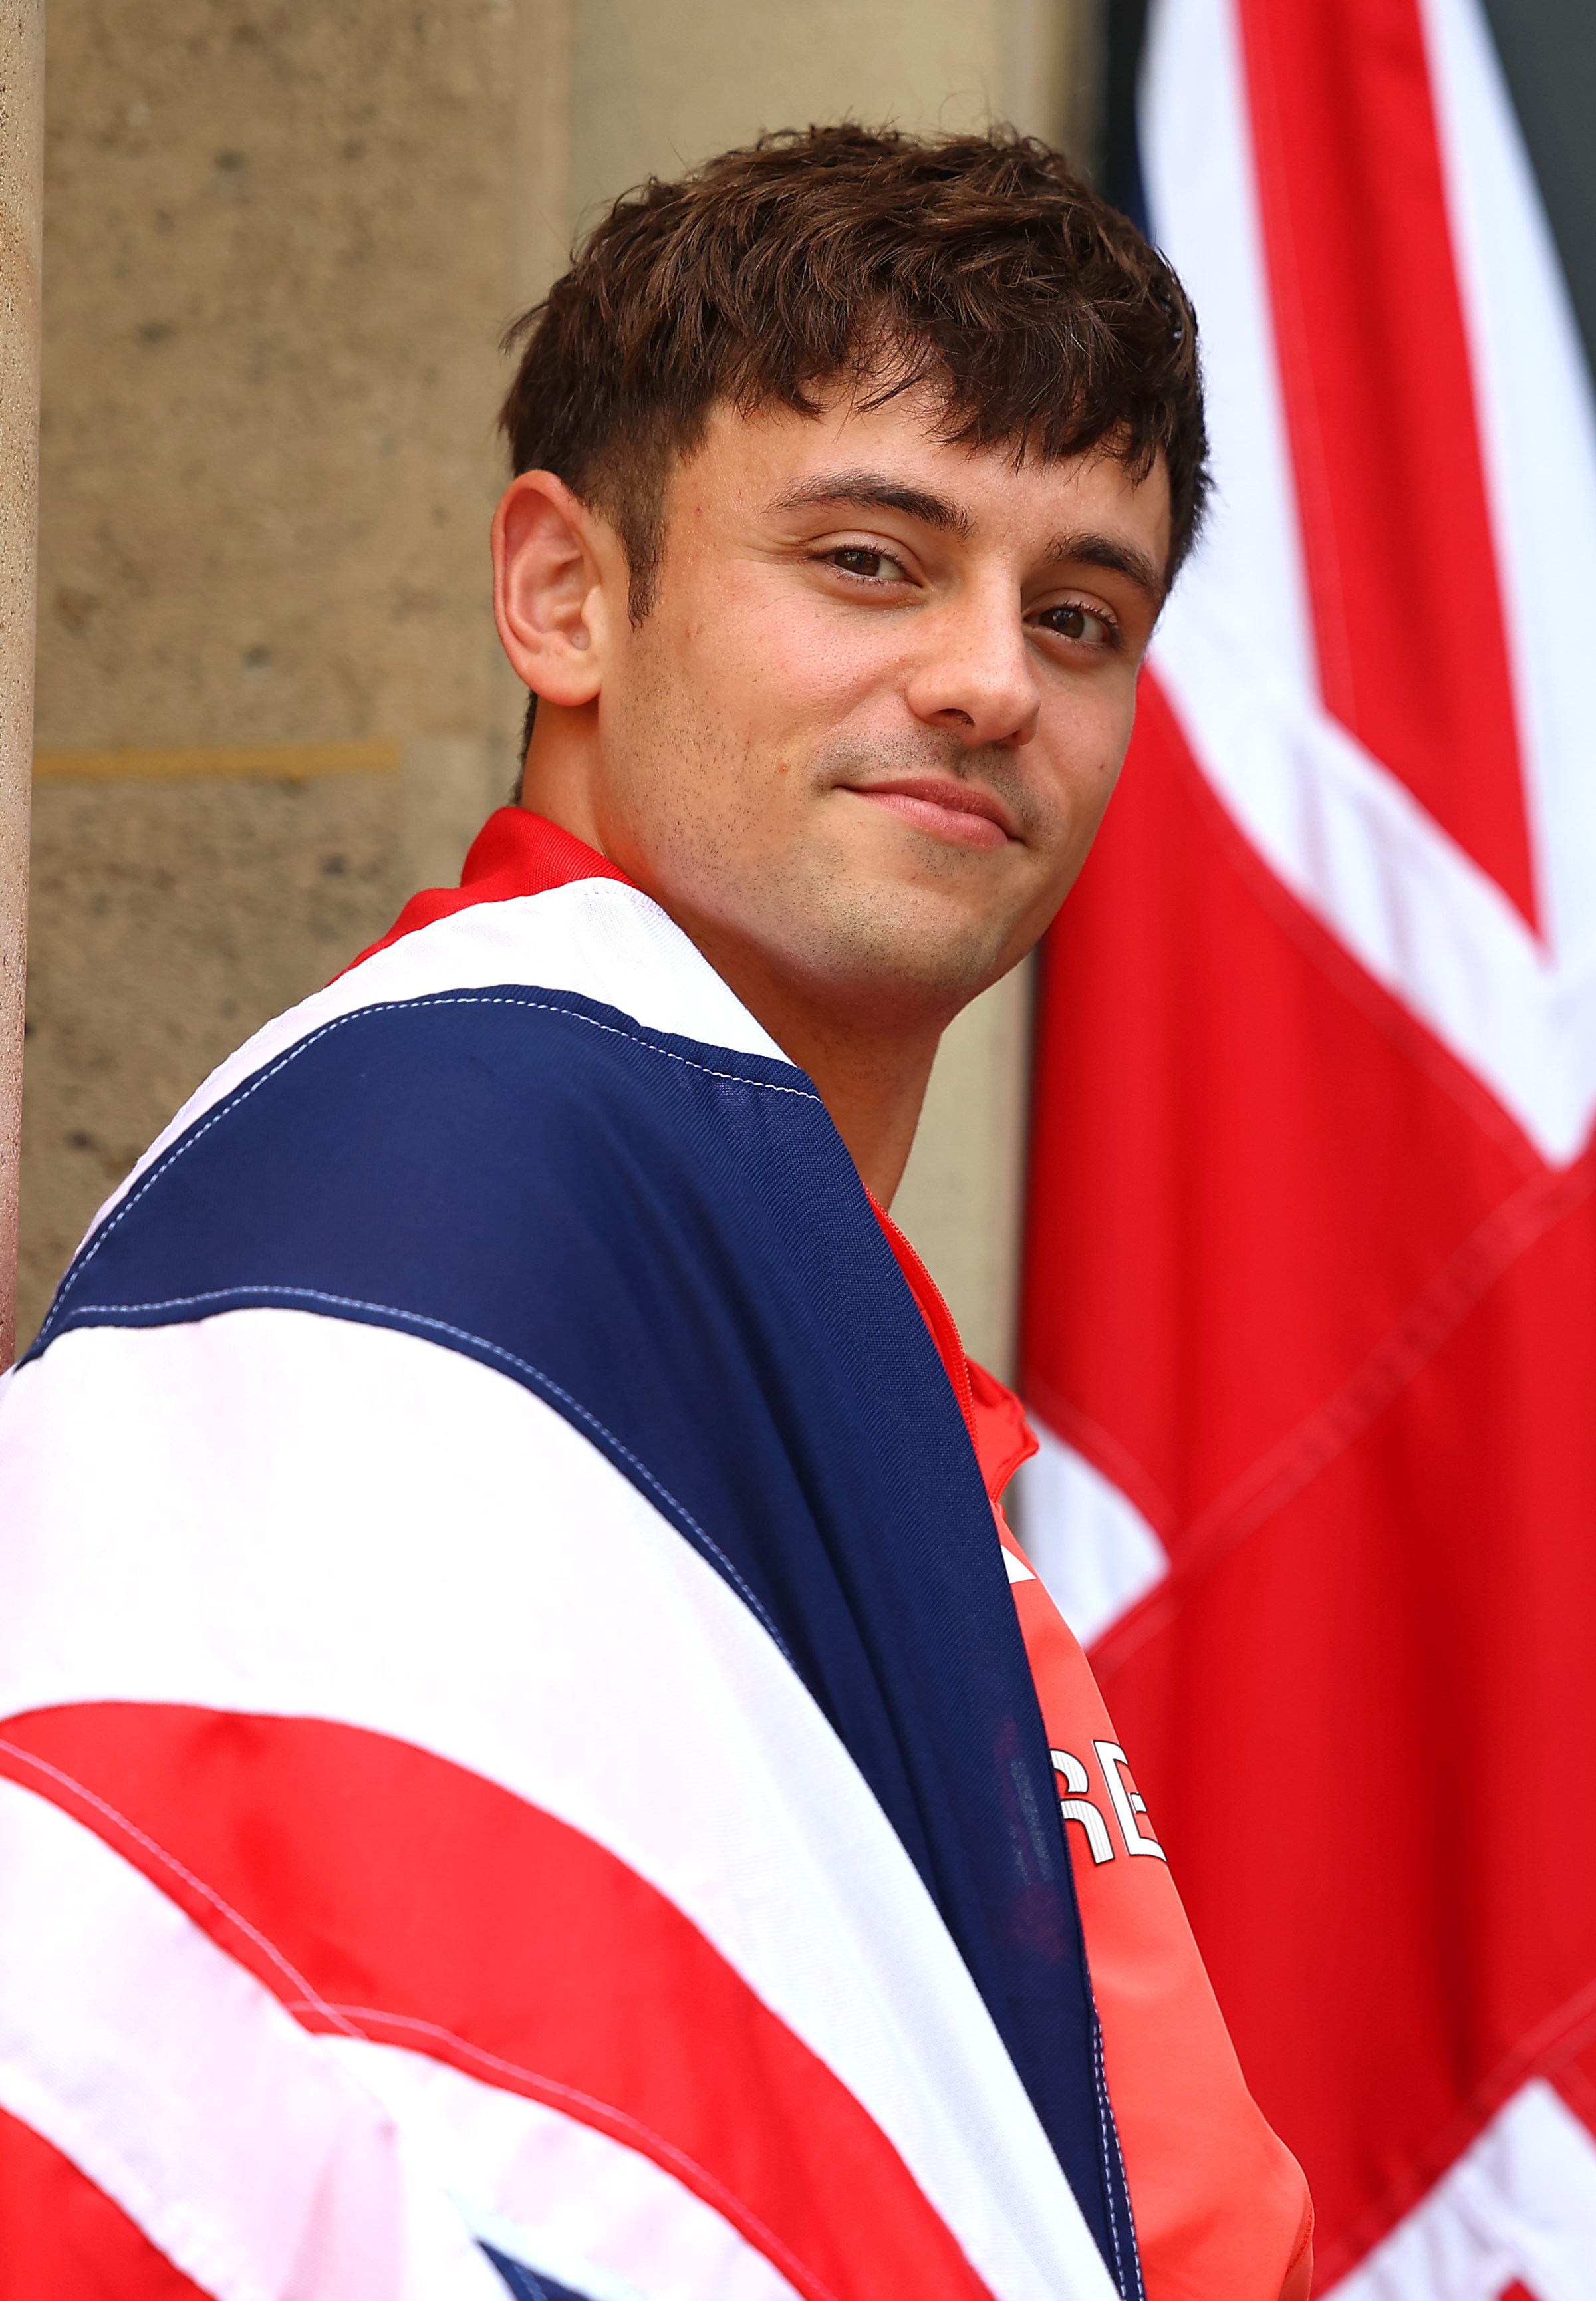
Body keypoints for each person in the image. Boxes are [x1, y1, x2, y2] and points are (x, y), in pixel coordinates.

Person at [0, 128, 1313, 2301]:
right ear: (563, 595)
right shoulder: (457, 1184)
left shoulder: (751, 1280)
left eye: (1079, 611)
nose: (997, 679)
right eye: (878, 561)